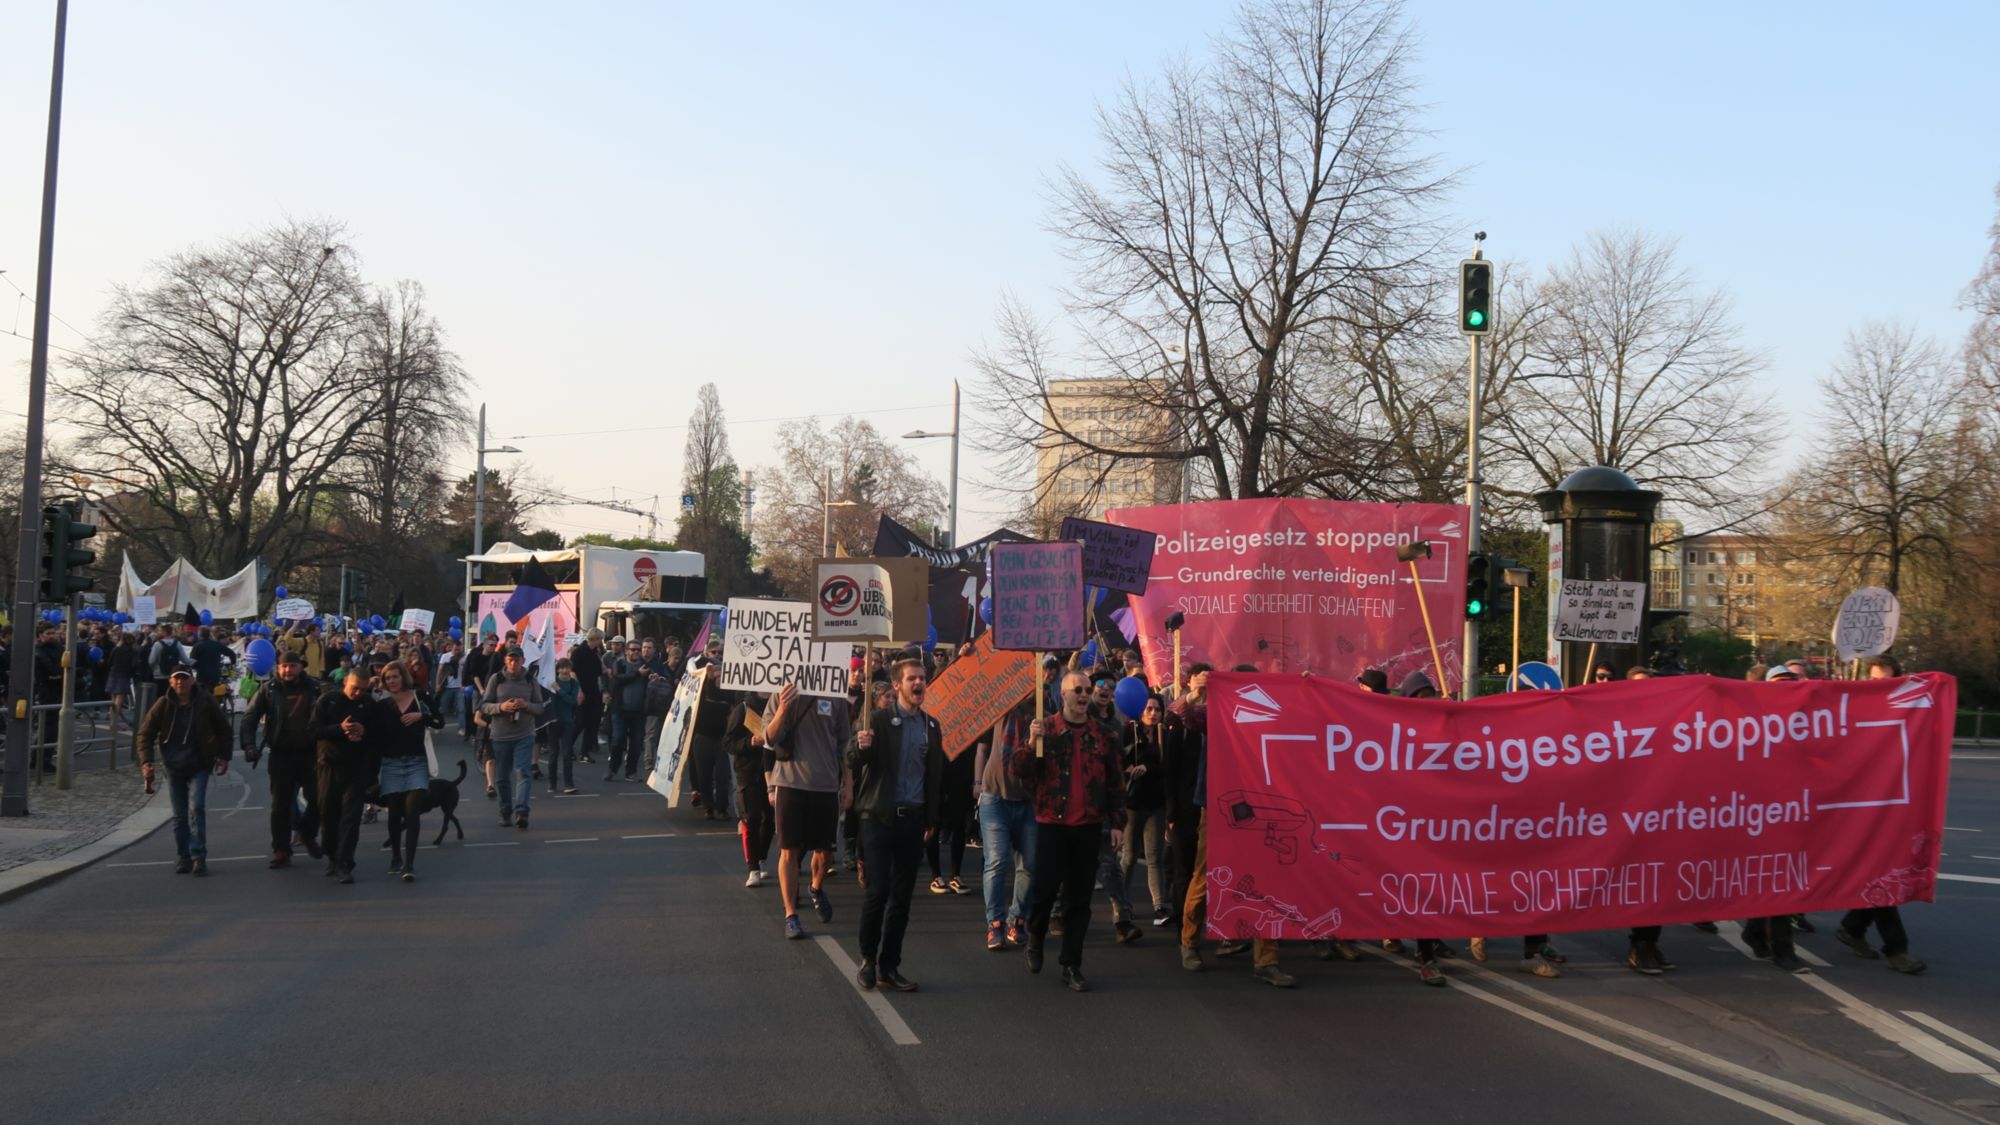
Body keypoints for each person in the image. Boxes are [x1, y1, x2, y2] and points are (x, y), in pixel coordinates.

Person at [1175, 664, 1295, 988]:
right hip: (1217, 806)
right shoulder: (1215, 714)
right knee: (1205, 875)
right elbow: (1182, 714)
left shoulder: (1271, 715)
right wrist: (1197, 692)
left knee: (1265, 881)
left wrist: (1305, 688)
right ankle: (1189, 942)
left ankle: (1266, 960)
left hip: (1261, 808)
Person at [1009, 670, 1128, 993]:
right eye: (1077, 689)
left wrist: (1117, 823)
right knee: (1045, 891)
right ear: (1062, 694)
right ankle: (1035, 936)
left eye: (1087, 690)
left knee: (1079, 899)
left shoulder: (1104, 735)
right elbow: (1019, 770)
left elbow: (1116, 782)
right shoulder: (1046, 728)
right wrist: (1032, 742)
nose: (1083, 695)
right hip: (1051, 823)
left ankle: (1071, 963)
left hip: (1088, 826)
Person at [848, 658, 944, 992]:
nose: (919, 683)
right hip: (878, 817)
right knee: (878, 892)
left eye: (922, 678)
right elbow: (851, 759)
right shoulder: (877, 720)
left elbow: (935, 776)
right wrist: (860, 746)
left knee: (902, 899)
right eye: (912, 679)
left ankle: (890, 965)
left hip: (913, 820)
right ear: (898, 685)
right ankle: (867, 959)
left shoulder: (931, 726)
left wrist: (931, 819)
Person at [1835, 655, 1926, 973]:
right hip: (1863, 809)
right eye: (1874, 682)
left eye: (1887, 681)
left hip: (1895, 808)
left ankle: (1854, 926)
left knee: (1884, 874)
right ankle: (1895, 949)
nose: (1880, 688)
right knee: (1883, 875)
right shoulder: (1854, 713)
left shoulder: (1910, 713)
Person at [764, 680, 847, 940]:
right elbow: (768, 738)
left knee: (825, 854)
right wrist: (783, 708)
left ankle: (815, 887)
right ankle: (791, 915)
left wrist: (849, 784)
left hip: (825, 785)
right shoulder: (781, 692)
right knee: (789, 850)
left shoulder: (836, 695)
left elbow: (844, 745)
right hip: (789, 783)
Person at [1741, 664, 1810, 972]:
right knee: (1776, 880)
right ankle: (1783, 951)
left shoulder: (1808, 722)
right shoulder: (1751, 722)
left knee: (1781, 880)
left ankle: (1756, 932)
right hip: (1759, 814)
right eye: (1779, 684)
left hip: (1792, 813)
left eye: (1790, 683)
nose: (1786, 689)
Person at [136, 665, 233, 875]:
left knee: (196, 807)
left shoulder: (205, 701)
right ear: (171, 682)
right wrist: (147, 762)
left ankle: (199, 856)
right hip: (173, 766)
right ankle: (184, 855)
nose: (181, 682)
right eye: (177, 679)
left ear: (192, 680)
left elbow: (224, 729)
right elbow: (145, 734)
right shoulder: (163, 704)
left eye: (184, 678)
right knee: (180, 815)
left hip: (200, 763)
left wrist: (224, 756)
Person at [238, 648, 324, 868]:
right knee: (280, 806)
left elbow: (330, 715)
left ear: (300, 667)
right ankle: (281, 850)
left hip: (310, 754)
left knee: (319, 799)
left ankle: (306, 833)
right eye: (284, 666)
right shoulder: (268, 690)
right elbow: (249, 718)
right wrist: (249, 745)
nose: (288, 670)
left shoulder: (314, 688)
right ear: (278, 668)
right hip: (281, 755)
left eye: (292, 665)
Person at [975, 704, 1037, 951]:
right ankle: (995, 923)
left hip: (1029, 799)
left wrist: (1035, 738)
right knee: (997, 860)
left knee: (1029, 864)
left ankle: (1017, 919)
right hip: (995, 796)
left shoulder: (1046, 711)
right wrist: (977, 781)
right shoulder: (1002, 704)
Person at [312, 669, 382, 883]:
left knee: (351, 818)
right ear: (345, 682)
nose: (358, 693)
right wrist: (339, 729)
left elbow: (378, 735)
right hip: (329, 765)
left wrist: (364, 732)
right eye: (354, 688)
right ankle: (332, 856)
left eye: (363, 689)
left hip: (356, 767)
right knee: (328, 814)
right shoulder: (328, 700)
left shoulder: (369, 704)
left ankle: (345, 863)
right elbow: (313, 730)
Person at [376, 662, 442, 881]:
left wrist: (421, 717)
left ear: (403, 677)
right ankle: (395, 855)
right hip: (391, 763)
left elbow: (439, 721)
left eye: (395, 677)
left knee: (412, 811)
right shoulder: (382, 704)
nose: (392, 681)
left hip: (416, 762)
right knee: (394, 812)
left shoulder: (419, 697)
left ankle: (409, 863)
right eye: (388, 679)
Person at [1121, 692, 1176, 927]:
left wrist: (1148, 767)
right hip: (1133, 803)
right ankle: (1122, 904)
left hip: (1156, 803)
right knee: (1130, 855)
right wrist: (1129, 767)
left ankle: (1159, 905)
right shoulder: (1128, 731)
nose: (1152, 713)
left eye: (1156, 709)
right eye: (1148, 708)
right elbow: (1117, 759)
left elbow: (1167, 766)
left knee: (1155, 856)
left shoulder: (1165, 736)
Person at [482, 646, 547, 829]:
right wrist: (501, 708)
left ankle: (521, 812)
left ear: (523, 661)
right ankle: (505, 810)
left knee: (523, 772)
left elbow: (540, 707)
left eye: (517, 659)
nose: (513, 662)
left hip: (524, 734)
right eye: (510, 659)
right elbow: (484, 705)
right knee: (502, 777)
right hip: (501, 735)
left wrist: (526, 705)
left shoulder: (529, 680)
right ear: (505, 661)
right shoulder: (497, 679)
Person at [725, 693, 775, 887]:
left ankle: (761, 858)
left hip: (773, 771)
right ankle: (753, 867)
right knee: (751, 817)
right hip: (748, 772)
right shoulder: (743, 709)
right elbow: (728, 742)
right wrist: (749, 743)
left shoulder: (779, 705)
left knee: (770, 819)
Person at [688, 639, 734, 816]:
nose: (719, 676)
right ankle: (708, 807)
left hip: (722, 739)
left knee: (723, 777)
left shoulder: (730, 693)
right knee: (704, 775)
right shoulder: (702, 691)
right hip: (703, 738)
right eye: (716, 673)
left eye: (722, 674)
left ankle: (722, 807)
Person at [606, 638, 646, 782]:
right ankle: (612, 769)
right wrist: (637, 675)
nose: (636, 652)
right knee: (618, 740)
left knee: (636, 743)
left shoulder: (645, 665)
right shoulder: (620, 663)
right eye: (633, 649)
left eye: (638, 650)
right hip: (620, 710)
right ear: (627, 651)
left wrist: (653, 677)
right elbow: (617, 679)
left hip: (639, 712)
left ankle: (631, 772)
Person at [548, 658, 581, 795]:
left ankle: (569, 783)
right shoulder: (552, 681)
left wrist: (559, 690)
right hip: (553, 722)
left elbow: (572, 701)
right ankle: (552, 783)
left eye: (567, 668)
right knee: (553, 753)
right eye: (562, 668)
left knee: (567, 753)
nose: (565, 670)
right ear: (558, 669)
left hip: (567, 721)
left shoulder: (574, 683)